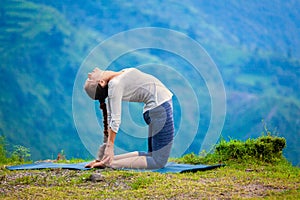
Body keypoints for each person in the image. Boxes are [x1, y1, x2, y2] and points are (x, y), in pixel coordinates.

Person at [84, 67, 174, 169]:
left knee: (151, 155)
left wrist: (100, 158)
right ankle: (109, 164)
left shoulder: (115, 80)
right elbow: (114, 120)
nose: (89, 74)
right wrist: (109, 147)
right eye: (90, 80)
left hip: (156, 109)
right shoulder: (115, 84)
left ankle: (107, 162)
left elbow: (109, 120)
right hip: (159, 109)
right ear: (101, 82)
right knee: (158, 162)